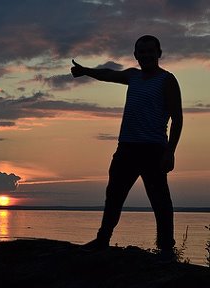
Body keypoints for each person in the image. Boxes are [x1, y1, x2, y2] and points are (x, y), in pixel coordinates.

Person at [71, 35, 183, 262]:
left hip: (154, 149)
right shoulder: (133, 76)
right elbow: (109, 74)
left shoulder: (167, 80)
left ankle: (166, 250)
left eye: (150, 51)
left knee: (160, 199)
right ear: (135, 55)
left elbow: (177, 118)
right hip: (127, 149)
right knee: (114, 195)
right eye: (141, 52)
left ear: (159, 53)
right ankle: (102, 240)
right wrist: (85, 71)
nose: (146, 56)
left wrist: (170, 151)